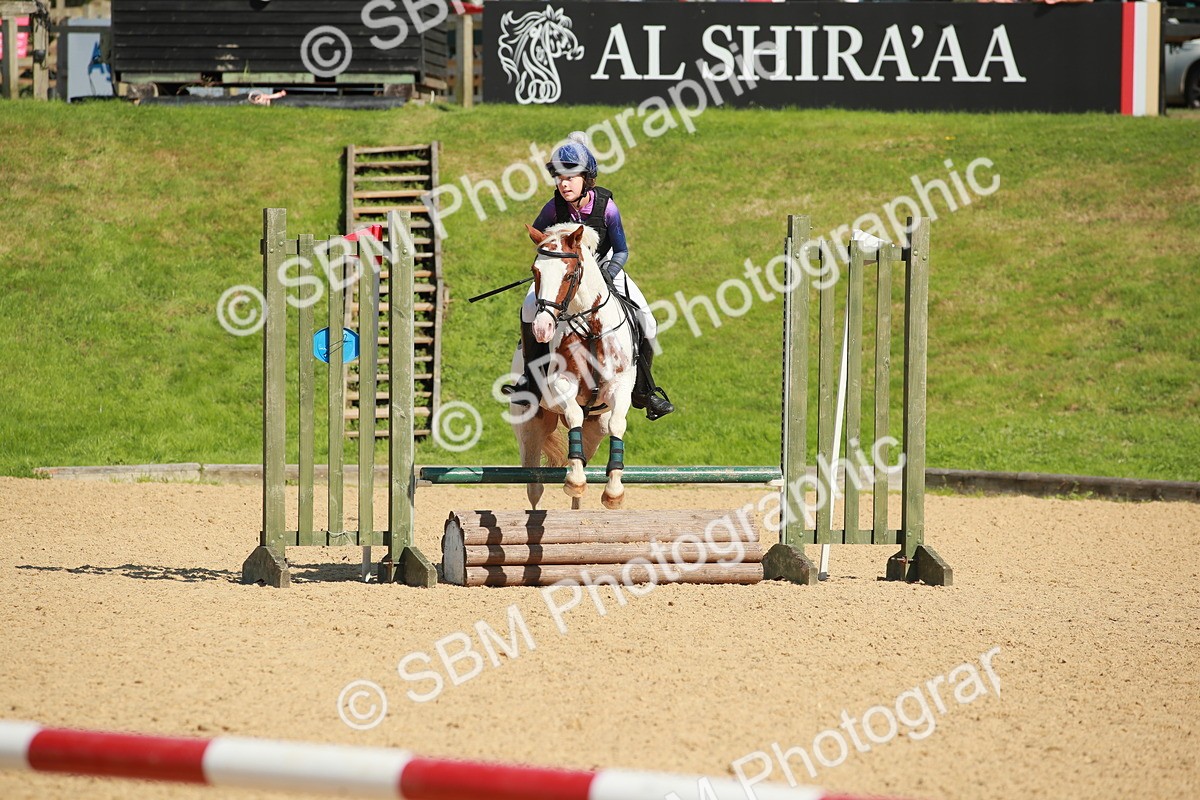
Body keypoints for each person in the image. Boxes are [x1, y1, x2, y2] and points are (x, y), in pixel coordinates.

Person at [503, 133, 674, 421]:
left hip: (605, 267)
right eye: (559, 177)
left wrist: (605, 275)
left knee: (648, 319)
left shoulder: (607, 207)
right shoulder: (552, 208)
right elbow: (540, 242)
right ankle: (530, 384)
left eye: (570, 176)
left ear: (587, 179)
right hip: (565, 274)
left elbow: (621, 251)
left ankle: (644, 391)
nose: (563, 183)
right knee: (530, 308)